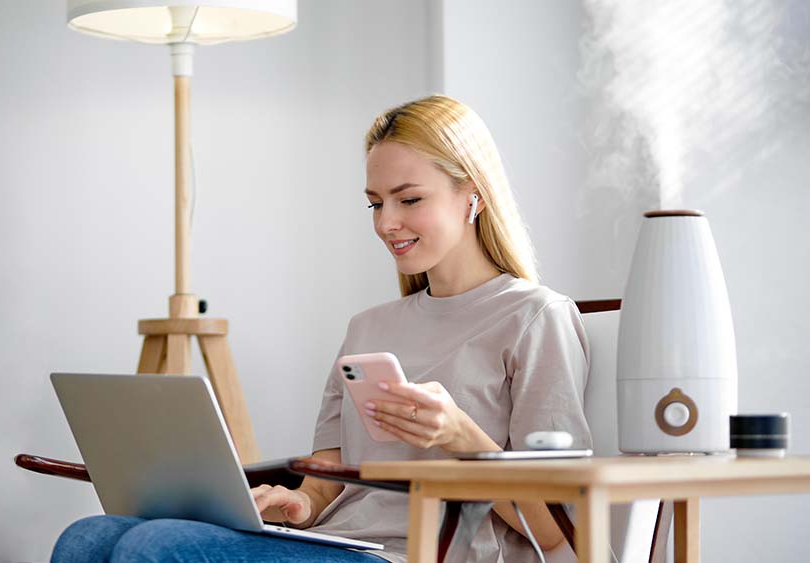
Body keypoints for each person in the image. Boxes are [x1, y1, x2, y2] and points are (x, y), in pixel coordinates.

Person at [50, 94, 591, 563]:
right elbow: (328, 475)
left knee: (155, 549)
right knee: (88, 537)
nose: (386, 223)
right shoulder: (369, 327)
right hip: (339, 545)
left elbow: (558, 530)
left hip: (425, 554)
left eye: (409, 199)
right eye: (376, 203)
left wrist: (461, 437)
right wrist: (302, 505)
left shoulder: (535, 317)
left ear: (471, 193)